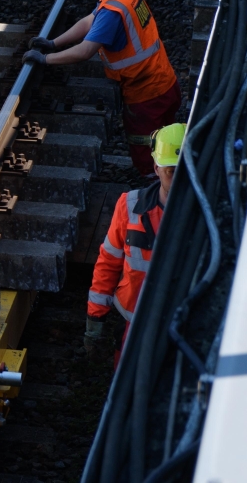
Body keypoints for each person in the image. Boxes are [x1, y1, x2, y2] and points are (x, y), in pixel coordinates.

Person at [24, 0, 181, 174]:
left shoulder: (112, 12)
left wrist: (46, 60)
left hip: (146, 95)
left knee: (148, 152)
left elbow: (86, 51)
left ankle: (156, 194)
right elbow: (90, 21)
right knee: (168, 146)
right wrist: (52, 43)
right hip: (164, 82)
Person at [85, 123, 184, 359]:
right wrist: (95, 317)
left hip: (179, 328)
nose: (179, 179)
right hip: (133, 325)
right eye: (171, 171)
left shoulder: (206, 218)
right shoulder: (130, 206)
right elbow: (108, 262)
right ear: (156, 168)